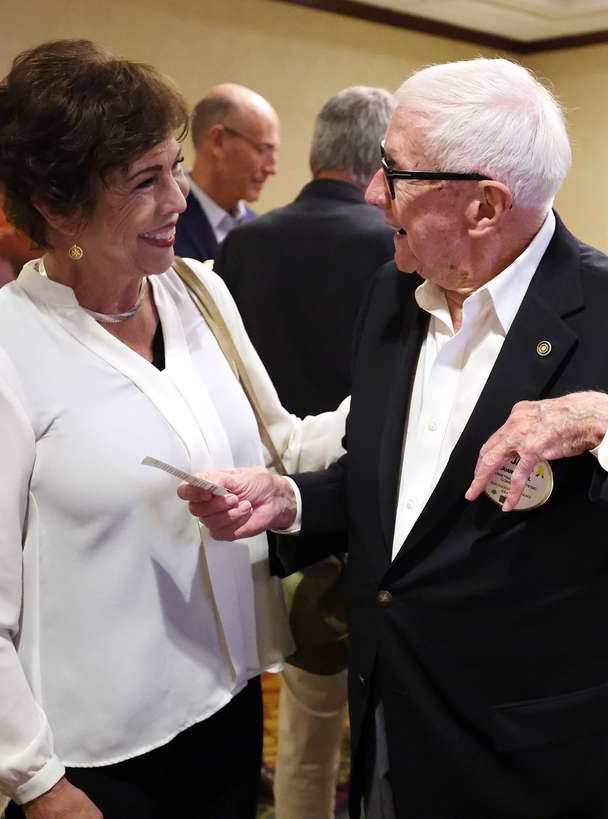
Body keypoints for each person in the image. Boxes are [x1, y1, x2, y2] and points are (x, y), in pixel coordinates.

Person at [181, 58, 608, 819]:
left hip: (520, 758)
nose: (373, 192)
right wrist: (295, 499)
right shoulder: (392, 290)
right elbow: (397, 486)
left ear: (485, 206)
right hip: (386, 709)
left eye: (397, 173)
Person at [0, 40, 344, 819]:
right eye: (145, 180)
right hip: (96, 752)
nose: (180, 197)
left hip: (225, 701)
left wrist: (408, 387)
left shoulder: (199, 294)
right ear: (59, 206)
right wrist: (36, 783)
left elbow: (283, 443)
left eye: (176, 166)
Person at [215, 85, 396, 819]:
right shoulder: (395, 244)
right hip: (375, 497)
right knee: (389, 722)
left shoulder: (244, 244)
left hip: (278, 501)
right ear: (382, 160)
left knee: (305, 720)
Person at [173, 83, 279, 262]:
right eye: (262, 150)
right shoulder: (163, 222)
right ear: (218, 141)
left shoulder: (261, 233)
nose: (272, 168)